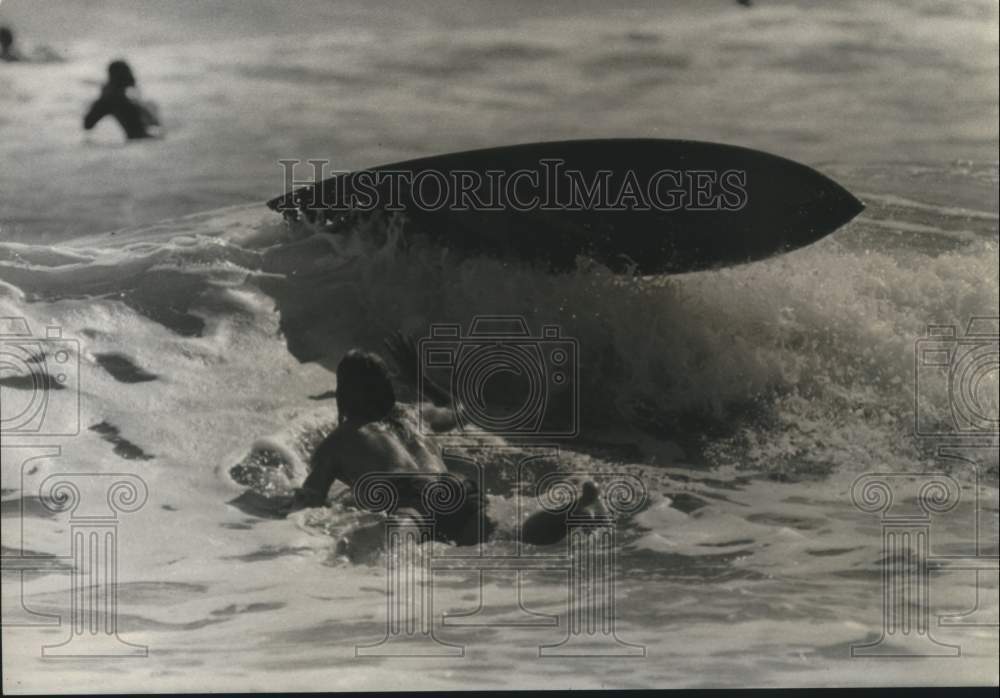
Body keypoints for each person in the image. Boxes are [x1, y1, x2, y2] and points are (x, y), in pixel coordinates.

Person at [290, 336, 601, 552]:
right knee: (515, 537)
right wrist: (420, 379)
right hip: (456, 489)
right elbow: (463, 410)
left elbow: (309, 501)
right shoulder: (416, 415)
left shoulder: (339, 439)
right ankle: (575, 508)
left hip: (413, 499)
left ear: (343, 392)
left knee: (401, 534)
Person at [83, 60, 160, 140]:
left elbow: (87, 124)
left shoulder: (114, 98)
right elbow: (88, 124)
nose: (132, 76)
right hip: (143, 141)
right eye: (128, 73)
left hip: (142, 141)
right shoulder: (113, 99)